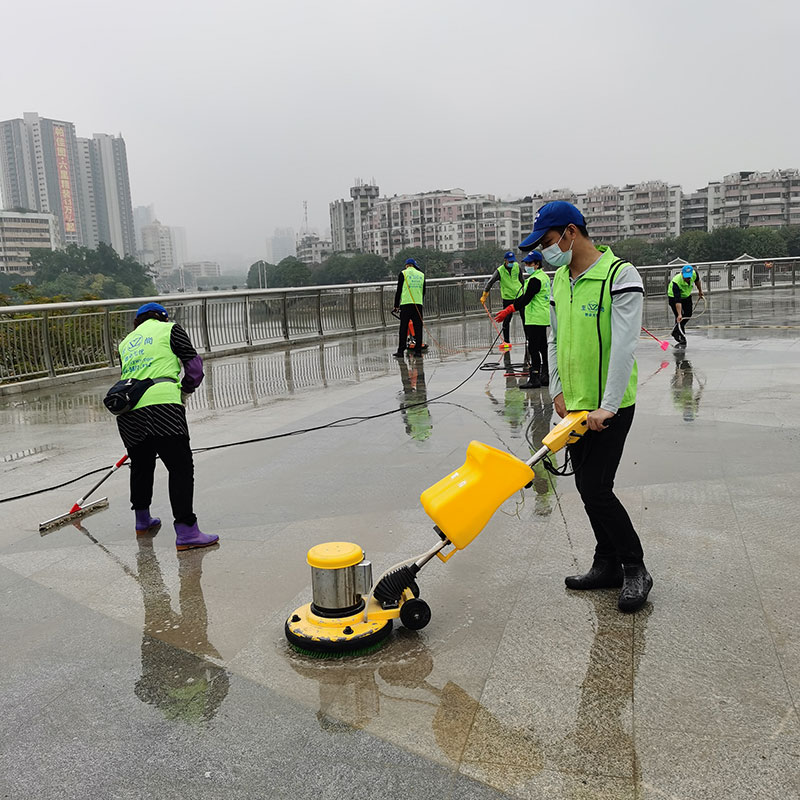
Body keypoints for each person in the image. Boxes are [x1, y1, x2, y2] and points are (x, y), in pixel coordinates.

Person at [519, 201, 651, 612]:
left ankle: (635, 568)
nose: (544, 249)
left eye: (548, 240)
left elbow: (624, 347)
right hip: (573, 407)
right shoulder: (558, 280)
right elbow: (556, 341)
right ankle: (606, 563)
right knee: (585, 486)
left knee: (596, 487)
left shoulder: (619, 275)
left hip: (609, 408)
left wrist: (608, 405)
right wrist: (557, 392)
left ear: (571, 233)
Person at [116, 302, 218, 551]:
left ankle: (142, 520)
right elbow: (194, 366)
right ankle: (186, 531)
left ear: (136, 322)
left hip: (128, 409)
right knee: (180, 467)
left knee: (141, 464)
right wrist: (186, 389)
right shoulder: (170, 329)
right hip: (163, 405)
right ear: (162, 317)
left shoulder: (125, 341)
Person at [493, 251, 550, 389]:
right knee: (542, 346)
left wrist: (508, 309)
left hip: (535, 318)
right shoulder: (543, 277)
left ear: (537, 264)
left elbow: (525, 299)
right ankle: (545, 375)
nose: (527, 266)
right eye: (526, 263)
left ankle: (535, 377)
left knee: (533, 348)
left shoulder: (535, 280)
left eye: (530, 263)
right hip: (542, 316)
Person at [481, 250, 524, 347]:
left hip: (519, 296)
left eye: (513, 261)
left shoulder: (517, 267)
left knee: (525, 318)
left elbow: (522, 280)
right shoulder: (499, 271)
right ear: (505, 261)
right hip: (508, 298)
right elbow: (490, 282)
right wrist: (484, 295)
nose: (512, 263)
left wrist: (524, 291)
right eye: (510, 262)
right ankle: (506, 341)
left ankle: (529, 339)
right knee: (507, 320)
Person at [392, 258, 426, 358]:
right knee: (418, 328)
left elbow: (399, 290)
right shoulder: (421, 275)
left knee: (403, 328)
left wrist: (396, 305)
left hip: (406, 304)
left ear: (407, 265)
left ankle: (401, 351)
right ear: (415, 265)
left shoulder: (403, 273)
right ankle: (418, 351)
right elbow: (424, 291)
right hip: (418, 304)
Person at [668, 264, 704, 346]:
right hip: (674, 297)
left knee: (688, 314)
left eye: (689, 277)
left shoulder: (694, 274)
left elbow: (697, 281)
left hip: (686, 296)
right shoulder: (676, 282)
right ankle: (680, 336)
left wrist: (700, 291)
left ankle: (676, 330)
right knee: (680, 316)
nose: (688, 279)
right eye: (686, 277)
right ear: (682, 274)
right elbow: (677, 301)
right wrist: (680, 314)